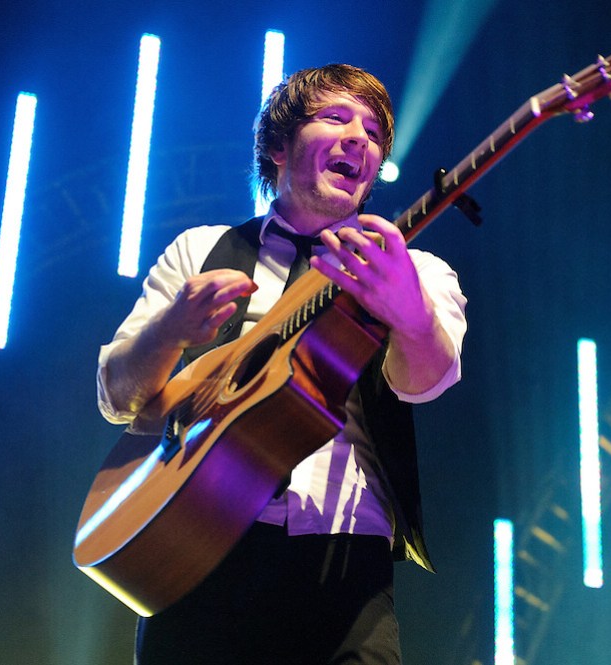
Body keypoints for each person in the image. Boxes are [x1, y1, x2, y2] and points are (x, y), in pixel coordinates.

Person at [95, 63, 467, 664]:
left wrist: (410, 315)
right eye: (335, 118)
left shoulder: (415, 271)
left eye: (373, 132)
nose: (360, 139)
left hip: (345, 567)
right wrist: (170, 331)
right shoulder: (201, 249)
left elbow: (426, 383)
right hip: (195, 550)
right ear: (276, 145)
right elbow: (117, 397)